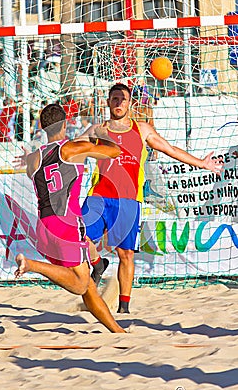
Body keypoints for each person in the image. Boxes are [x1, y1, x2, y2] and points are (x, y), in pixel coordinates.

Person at [81, 83, 224, 314]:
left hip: (128, 200)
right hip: (98, 196)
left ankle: (124, 308)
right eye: (115, 98)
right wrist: (37, 155)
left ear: (130, 104)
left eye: (123, 99)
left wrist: (202, 163)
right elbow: (67, 149)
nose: (119, 103)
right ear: (108, 102)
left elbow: (171, 150)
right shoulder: (98, 130)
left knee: (125, 254)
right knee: (80, 238)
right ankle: (98, 265)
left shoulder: (142, 130)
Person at [14, 103, 125, 333]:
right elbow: (115, 151)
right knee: (80, 284)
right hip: (67, 226)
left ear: (43, 128)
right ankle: (31, 265)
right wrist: (101, 137)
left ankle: (117, 331)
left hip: (44, 227)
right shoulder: (72, 149)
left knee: (88, 287)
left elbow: (47, 162)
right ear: (65, 124)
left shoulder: (33, 159)